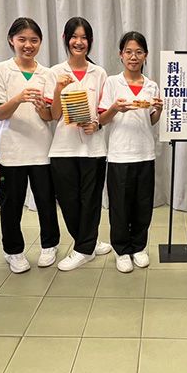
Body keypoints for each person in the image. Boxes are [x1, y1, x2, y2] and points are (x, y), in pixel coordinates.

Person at [0, 17, 61, 273]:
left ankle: (50, 244)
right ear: (11, 40)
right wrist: (19, 98)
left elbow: (50, 117)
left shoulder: (48, 73)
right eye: (22, 39)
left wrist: (42, 108)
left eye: (34, 40)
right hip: (10, 150)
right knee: (11, 205)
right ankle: (13, 251)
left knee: (46, 202)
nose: (28, 45)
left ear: (40, 42)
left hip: (41, 149)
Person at [45, 17, 112, 271]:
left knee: (91, 200)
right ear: (66, 39)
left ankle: (84, 249)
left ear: (90, 41)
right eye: (74, 37)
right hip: (63, 147)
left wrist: (97, 124)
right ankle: (88, 241)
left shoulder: (99, 73)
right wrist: (58, 89)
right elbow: (53, 115)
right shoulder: (55, 72)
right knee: (69, 201)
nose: (79, 42)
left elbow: (104, 112)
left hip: (93, 148)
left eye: (84, 37)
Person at [99, 31, 163, 272]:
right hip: (119, 154)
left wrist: (159, 110)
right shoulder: (112, 83)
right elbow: (102, 119)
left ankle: (139, 246)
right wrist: (116, 108)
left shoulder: (151, 85)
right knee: (120, 206)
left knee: (143, 204)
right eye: (128, 52)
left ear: (145, 55)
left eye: (138, 52)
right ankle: (121, 250)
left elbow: (151, 121)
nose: (133, 57)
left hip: (145, 153)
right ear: (121, 55)